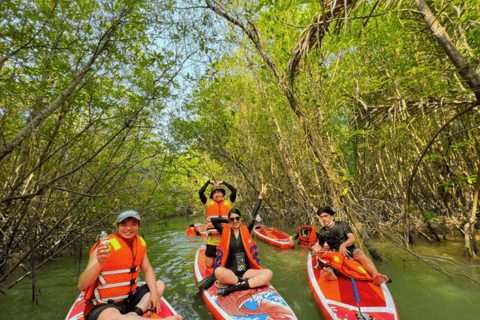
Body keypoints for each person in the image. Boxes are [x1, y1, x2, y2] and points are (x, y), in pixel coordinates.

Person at [78, 210, 182, 320]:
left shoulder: (139, 243)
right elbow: (82, 285)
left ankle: (136, 312)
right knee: (117, 318)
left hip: (130, 299)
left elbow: (147, 270)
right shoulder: (104, 246)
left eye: (133, 224)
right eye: (124, 224)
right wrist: (99, 262)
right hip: (106, 305)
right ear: (117, 227)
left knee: (159, 285)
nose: (128, 228)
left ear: (138, 227)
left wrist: (154, 294)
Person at [211, 185, 272, 296]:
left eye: (237, 218)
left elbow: (253, 215)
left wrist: (260, 197)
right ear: (229, 221)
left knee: (268, 273)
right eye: (232, 219)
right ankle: (244, 283)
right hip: (231, 273)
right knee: (218, 272)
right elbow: (213, 220)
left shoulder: (246, 229)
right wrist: (228, 218)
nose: (235, 221)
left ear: (241, 219)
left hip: (246, 272)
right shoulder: (225, 231)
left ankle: (236, 287)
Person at [310, 206, 389, 286]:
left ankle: (375, 275)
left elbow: (352, 238)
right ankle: (331, 273)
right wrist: (314, 251)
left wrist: (343, 245)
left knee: (359, 252)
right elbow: (320, 245)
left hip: (350, 250)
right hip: (336, 253)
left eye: (326, 216)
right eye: (321, 217)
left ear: (332, 216)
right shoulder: (322, 231)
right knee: (333, 259)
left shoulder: (343, 224)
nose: (323, 219)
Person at [198, 180, 237, 268]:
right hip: (212, 240)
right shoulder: (208, 204)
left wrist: (224, 182)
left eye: (219, 192)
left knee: (226, 264)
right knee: (208, 265)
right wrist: (208, 182)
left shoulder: (229, 203)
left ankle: (222, 260)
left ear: (223, 194)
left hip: (225, 238)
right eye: (215, 193)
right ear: (212, 196)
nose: (217, 194)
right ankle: (216, 258)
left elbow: (234, 190)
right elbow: (200, 192)